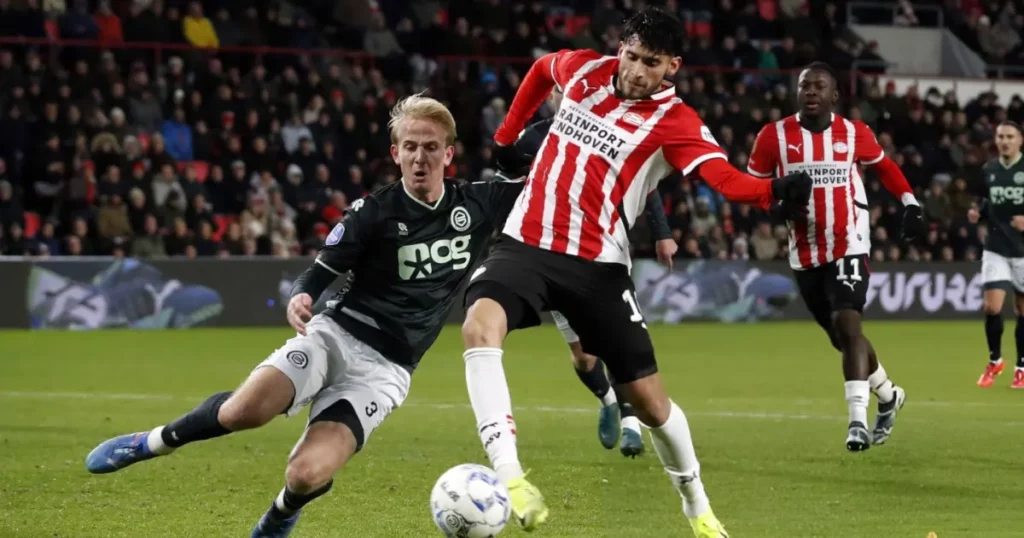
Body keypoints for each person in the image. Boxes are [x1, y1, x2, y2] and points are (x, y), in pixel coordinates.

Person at [83, 94, 525, 537]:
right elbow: (318, 273)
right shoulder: (372, 213)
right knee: (244, 412)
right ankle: (152, 442)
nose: (419, 157)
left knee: (305, 475)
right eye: (409, 146)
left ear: (449, 153)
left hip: (386, 371)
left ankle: (281, 512)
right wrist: (300, 297)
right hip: (334, 337)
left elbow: (540, 161)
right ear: (395, 153)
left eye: (431, 147)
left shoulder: (478, 205)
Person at [459, 7, 812, 537]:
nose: (638, 71)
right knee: (478, 327)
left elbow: (723, 177)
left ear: (673, 65)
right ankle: (509, 477)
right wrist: (508, 137)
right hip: (526, 243)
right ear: (619, 47)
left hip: (598, 267)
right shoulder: (582, 70)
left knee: (650, 403)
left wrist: (770, 194)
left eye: (652, 63)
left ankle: (698, 508)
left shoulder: (677, 122)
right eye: (632, 56)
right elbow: (538, 72)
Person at [747, 62, 925, 451]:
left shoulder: (854, 133)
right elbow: (755, 188)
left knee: (848, 322)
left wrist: (909, 201)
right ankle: (890, 395)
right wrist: (774, 209)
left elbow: (885, 166)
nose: (811, 91)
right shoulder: (773, 137)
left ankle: (857, 421)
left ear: (834, 95)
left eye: (819, 86)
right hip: (805, 251)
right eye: (804, 85)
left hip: (849, 240)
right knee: (841, 339)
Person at [497, 87, 678, 458]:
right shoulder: (534, 137)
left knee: (613, 339)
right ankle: (608, 399)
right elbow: (507, 174)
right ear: (552, 101)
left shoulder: (610, 130)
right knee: (583, 356)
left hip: (604, 251)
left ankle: (631, 424)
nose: (571, 96)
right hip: (550, 253)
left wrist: (662, 234)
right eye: (562, 92)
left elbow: (647, 184)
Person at [974, 121, 1024, 389]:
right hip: (996, 248)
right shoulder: (989, 170)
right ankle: (995, 361)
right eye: (1000, 136)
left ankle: (1022, 367)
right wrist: (978, 213)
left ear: (1020, 140)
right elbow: (986, 204)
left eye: (1009, 136)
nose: (1004, 141)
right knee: (992, 307)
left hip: (1023, 251)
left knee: (1022, 310)